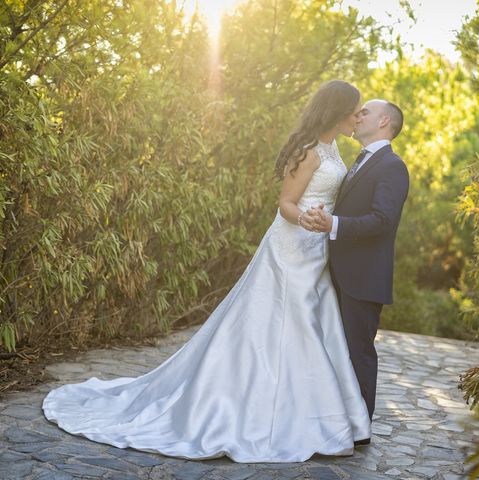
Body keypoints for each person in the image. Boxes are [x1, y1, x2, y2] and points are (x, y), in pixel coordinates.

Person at [41, 80, 371, 463]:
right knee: (293, 323)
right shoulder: (309, 150)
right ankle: (288, 417)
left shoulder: (333, 148)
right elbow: (285, 205)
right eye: (355, 110)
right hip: (292, 246)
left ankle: (307, 409)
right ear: (337, 110)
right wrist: (310, 220)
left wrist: (325, 225)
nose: (357, 117)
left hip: (317, 252)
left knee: (313, 322)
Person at [300, 99, 409, 429]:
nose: (357, 116)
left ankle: (360, 429)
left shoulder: (392, 166)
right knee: (336, 350)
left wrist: (332, 224)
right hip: (336, 271)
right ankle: (335, 421)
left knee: (358, 352)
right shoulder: (359, 162)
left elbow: (381, 220)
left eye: (365, 112)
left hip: (363, 278)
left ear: (383, 122)